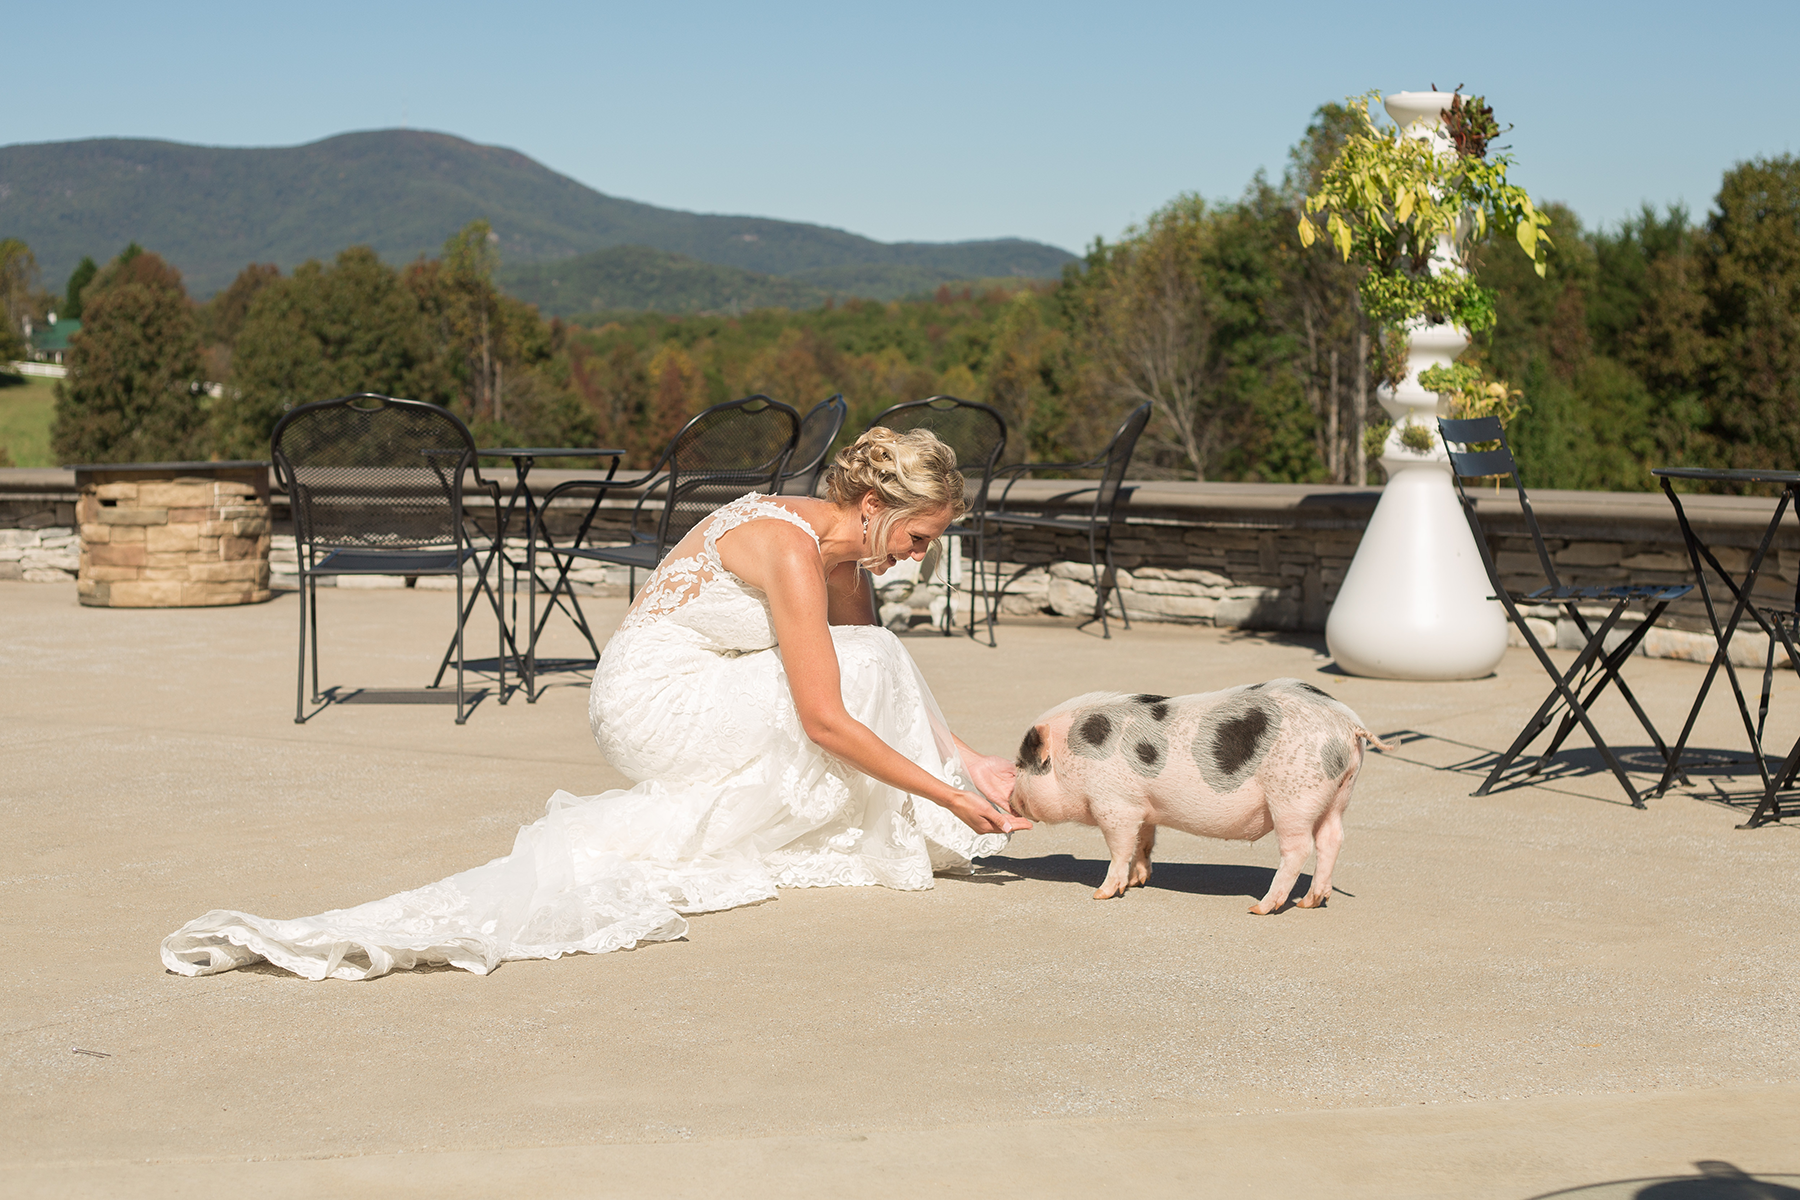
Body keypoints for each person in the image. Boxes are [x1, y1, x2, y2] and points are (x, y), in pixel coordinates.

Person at [162, 427, 1032, 981]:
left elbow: (871, 687)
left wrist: (965, 755)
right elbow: (827, 717)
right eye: (920, 538)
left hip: (708, 685)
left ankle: (868, 817)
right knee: (870, 652)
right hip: (652, 702)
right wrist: (946, 791)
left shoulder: (847, 557)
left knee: (873, 646)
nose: (918, 558)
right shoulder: (788, 544)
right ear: (876, 507)